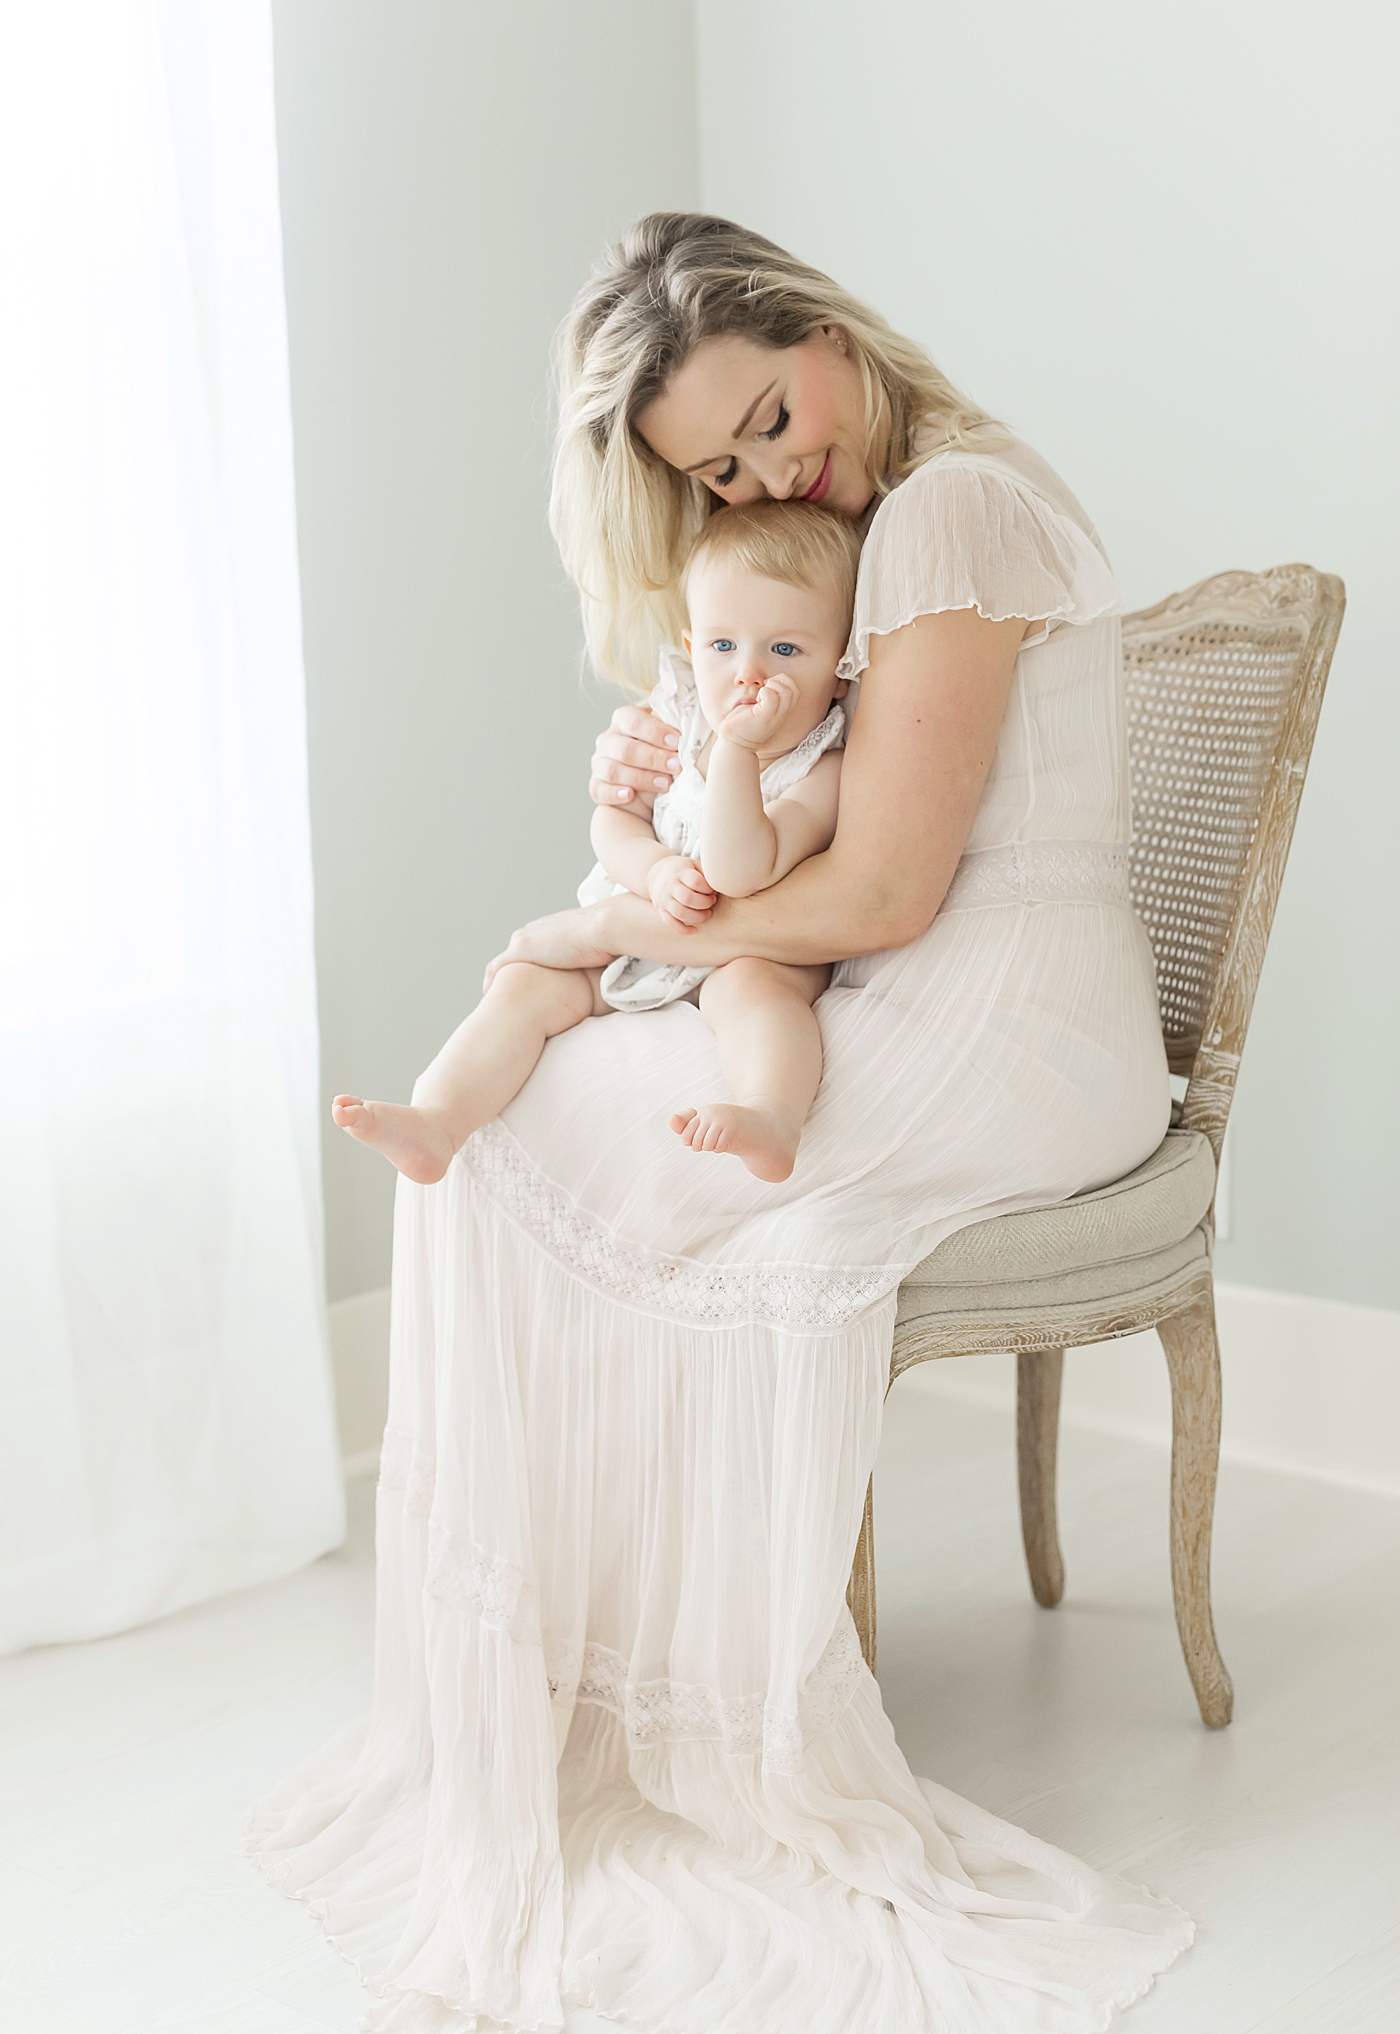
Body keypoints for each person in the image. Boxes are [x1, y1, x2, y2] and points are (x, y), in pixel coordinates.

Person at [248, 214, 1191, 2033]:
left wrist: (617, 930)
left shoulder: (950, 511)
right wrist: (660, 818)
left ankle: (664, 1707)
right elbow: (804, 854)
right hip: (890, 986)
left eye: (769, 411)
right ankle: (567, 1696)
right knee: (514, 1127)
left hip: (1012, 1014)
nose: (773, 466)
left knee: (539, 1129)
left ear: (824, 327)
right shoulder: (851, 540)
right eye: (723, 466)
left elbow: (899, 893)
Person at [331, 500, 856, 1187]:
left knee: (759, 994)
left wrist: (735, 750)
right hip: (641, 928)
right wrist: (654, 868)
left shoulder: (823, 768)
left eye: (784, 650)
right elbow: (611, 821)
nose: (746, 675)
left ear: (841, 667)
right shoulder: (674, 713)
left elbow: (740, 870)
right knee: (525, 982)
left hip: (744, 949)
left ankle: (771, 1115)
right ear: (692, 642)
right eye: (722, 647)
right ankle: (436, 1120)